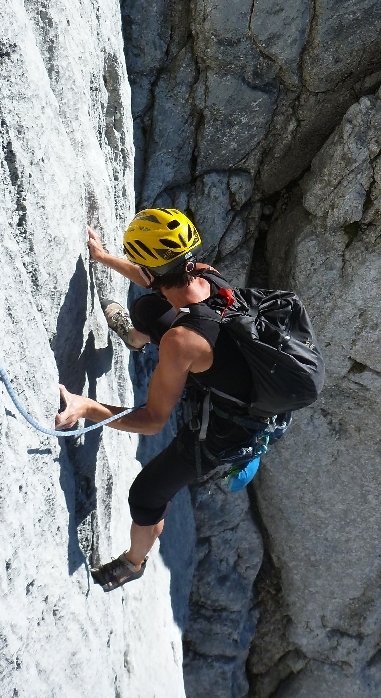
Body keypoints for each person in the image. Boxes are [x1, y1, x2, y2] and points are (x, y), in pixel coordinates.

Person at [55, 208, 281, 592]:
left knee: (146, 495)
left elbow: (154, 420)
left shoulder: (182, 341)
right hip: (230, 369)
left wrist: (88, 408)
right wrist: (106, 259)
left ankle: (132, 563)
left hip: (228, 429)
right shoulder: (204, 274)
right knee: (146, 309)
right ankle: (134, 337)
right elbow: (156, 281)